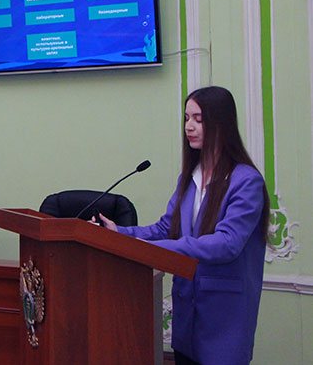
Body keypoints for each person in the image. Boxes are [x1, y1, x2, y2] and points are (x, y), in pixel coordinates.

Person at [96, 86, 269, 365]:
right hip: (186, 318)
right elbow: (167, 228)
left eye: (199, 119)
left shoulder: (246, 181)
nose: (189, 126)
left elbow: (227, 244)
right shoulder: (190, 177)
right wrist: (120, 233)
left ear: (221, 123)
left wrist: (153, 249)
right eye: (187, 118)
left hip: (223, 317)